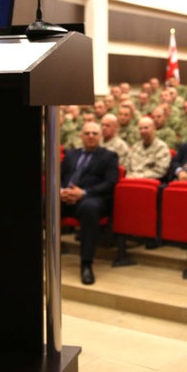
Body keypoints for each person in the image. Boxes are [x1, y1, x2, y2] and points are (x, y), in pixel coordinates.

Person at [60, 122, 120, 285]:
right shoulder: (71, 154)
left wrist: (83, 193)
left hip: (90, 199)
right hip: (65, 197)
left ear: (100, 136)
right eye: (87, 133)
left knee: (89, 209)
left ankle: (86, 264)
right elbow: (57, 175)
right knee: (44, 202)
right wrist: (60, 191)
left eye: (95, 133)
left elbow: (110, 183)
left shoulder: (109, 156)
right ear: (81, 136)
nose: (91, 136)